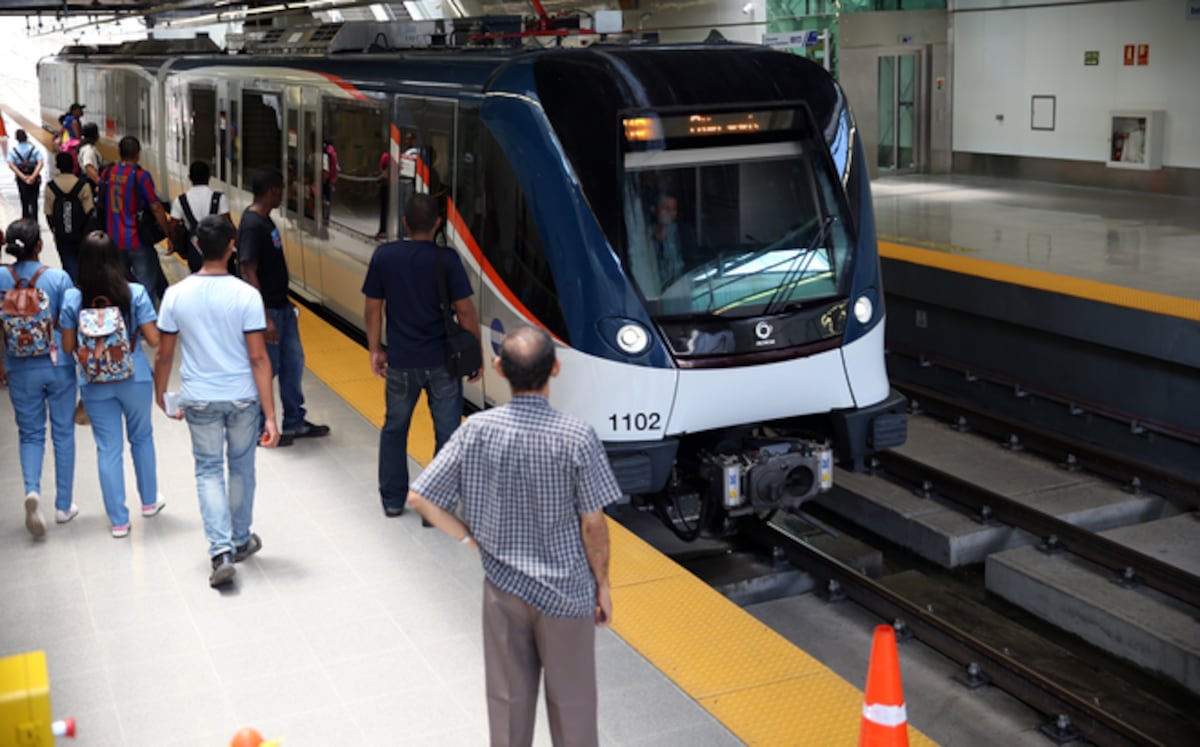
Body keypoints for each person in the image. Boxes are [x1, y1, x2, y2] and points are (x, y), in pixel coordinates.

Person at [408, 325, 622, 747]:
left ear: (500, 367)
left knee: (508, 707)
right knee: (574, 708)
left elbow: (420, 497)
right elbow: (593, 523)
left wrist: (470, 539)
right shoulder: (577, 436)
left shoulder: (476, 430)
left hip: (503, 591)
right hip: (567, 593)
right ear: (556, 369)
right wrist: (603, 584)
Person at [154, 216, 281, 587]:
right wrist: (270, 416)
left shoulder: (176, 295)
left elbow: (164, 355)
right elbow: (259, 358)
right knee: (241, 467)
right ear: (232, 246)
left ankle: (221, 550)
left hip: (200, 399)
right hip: (242, 398)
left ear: (195, 246)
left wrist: (162, 396)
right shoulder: (247, 295)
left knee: (208, 470)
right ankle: (241, 539)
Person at [362, 193, 480, 517]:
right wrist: (476, 355)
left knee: (394, 429)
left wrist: (375, 348)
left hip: (400, 362)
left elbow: (374, 308)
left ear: (404, 223)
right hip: (443, 363)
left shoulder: (385, 256)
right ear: (438, 223)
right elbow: (466, 313)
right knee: (446, 433)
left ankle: (392, 500)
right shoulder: (447, 260)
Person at [60, 232, 164, 538]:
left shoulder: (72, 298)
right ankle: (148, 502)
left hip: (94, 383)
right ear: (116, 259)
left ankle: (119, 521)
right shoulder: (135, 292)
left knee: (108, 449)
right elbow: (155, 339)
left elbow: (67, 347)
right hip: (136, 377)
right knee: (142, 438)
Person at [237, 167, 329, 447]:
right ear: (273, 191)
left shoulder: (264, 221)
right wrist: (263, 316)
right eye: (282, 190)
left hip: (282, 307)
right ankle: (255, 427)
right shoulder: (253, 225)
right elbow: (247, 270)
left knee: (293, 363)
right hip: (269, 312)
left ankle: (294, 421)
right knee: (270, 367)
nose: (284, 195)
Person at [0, 219, 78, 537]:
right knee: (63, 433)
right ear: (40, 246)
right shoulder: (58, 278)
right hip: (57, 363)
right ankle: (64, 505)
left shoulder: (2, 277)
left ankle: (33, 490)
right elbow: (71, 321)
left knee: (30, 434)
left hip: (18, 365)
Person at [100, 136, 171, 305]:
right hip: (137, 241)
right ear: (138, 154)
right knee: (146, 288)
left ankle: (127, 321)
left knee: (121, 286)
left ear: (119, 152)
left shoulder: (107, 173)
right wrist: (169, 233)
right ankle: (145, 327)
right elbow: (156, 207)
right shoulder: (141, 176)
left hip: (113, 241)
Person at [170, 160, 231, 272]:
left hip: (193, 250)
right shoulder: (219, 198)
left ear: (189, 178)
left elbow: (173, 226)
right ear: (209, 177)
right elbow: (228, 223)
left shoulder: (180, 201)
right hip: (217, 250)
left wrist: (174, 245)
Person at [44, 152, 95, 283]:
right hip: (81, 234)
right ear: (73, 166)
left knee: (68, 264)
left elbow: (48, 213)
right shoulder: (83, 185)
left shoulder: (51, 187)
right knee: (83, 264)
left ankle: (71, 289)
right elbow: (89, 211)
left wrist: (55, 230)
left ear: (57, 166)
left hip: (62, 235)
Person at [648, 191, 698, 289]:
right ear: (654, 209)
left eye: (673, 209)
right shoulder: (643, 235)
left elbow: (692, 261)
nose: (670, 213)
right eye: (665, 208)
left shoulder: (684, 232)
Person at [7, 130, 44, 221]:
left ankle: (25, 221)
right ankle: (35, 221)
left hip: (21, 179)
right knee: (34, 201)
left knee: (24, 200)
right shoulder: (34, 149)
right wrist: (33, 176)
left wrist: (23, 177)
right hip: (34, 178)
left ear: (16, 138)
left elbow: (11, 165)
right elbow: (40, 163)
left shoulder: (13, 151)